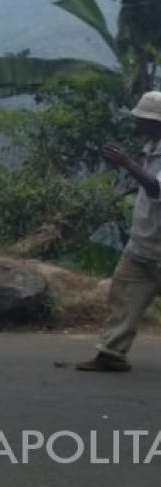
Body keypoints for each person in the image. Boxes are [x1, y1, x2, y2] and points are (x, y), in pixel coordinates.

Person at [77, 91, 161, 373]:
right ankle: (111, 352)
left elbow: (156, 188)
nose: (136, 123)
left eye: (142, 119)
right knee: (123, 296)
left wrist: (127, 163)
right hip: (143, 244)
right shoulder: (151, 148)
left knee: (124, 296)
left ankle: (111, 352)